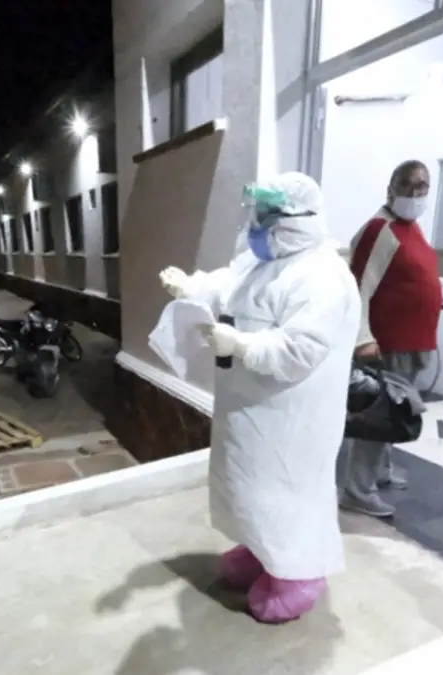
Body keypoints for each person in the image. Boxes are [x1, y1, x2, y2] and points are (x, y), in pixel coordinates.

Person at [158, 172, 360, 624]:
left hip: (292, 417)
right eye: (257, 213)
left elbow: (301, 348)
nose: (257, 224)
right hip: (247, 408)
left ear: (298, 219)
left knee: (288, 494)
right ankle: (262, 551)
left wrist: (242, 345)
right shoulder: (262, 261)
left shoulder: (323, 275)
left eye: (267, 215)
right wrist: (191, 287)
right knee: (251, 488)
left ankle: (299, 573)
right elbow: (230, 285)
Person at [341, 159, 443, 518]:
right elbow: (357, 288)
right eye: (409, 186)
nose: (417, 194)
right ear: (391, 189)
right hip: (387, 344)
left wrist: (433, 301)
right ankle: (357, 491)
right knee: (378, 415)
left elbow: (407, 279)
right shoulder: (380, 229)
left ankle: (380, 472)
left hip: (413, 340)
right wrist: (362, 338)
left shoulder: (411, 229)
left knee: (395, 412)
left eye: (423, 187)